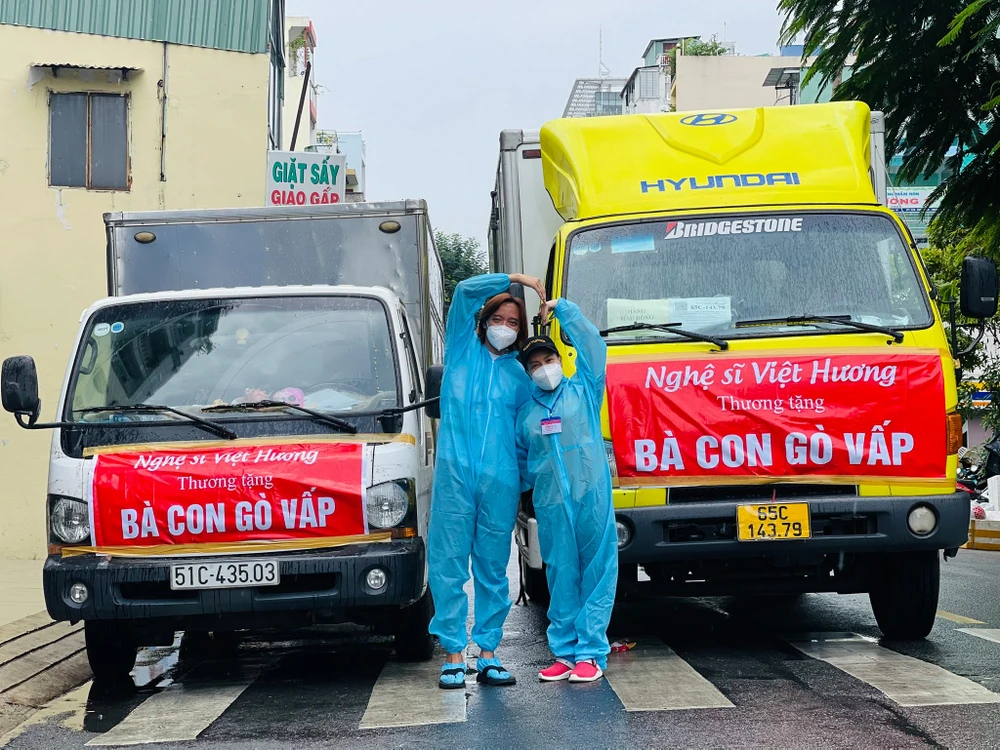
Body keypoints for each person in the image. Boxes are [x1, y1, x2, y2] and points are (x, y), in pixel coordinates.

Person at [428, 272, 545, 690]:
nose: (505, 327)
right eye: (499, 319)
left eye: (514, 323)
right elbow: (463, 292)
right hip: (454, 480)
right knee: (447, 564)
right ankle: (453, 653)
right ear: (483, 321)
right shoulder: (461, 351)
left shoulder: (519, 376)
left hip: (500, 483)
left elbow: (524, 437)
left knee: (493, 570)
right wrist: (515, 280)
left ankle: (489, 652)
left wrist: (521, 484)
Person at [515, 297, 617, 683]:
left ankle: (591, 652)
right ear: (528, 372)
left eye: (548, 359)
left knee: (597, 571)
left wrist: (563, 310)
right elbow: (522, 462)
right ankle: (565, 652)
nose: (543, 369)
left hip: (591, 498)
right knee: (560, 574)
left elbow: (593, 346)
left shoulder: (584, 390)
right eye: (535, 365)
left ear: (560, 360)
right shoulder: (527, 414)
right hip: (553, 505)